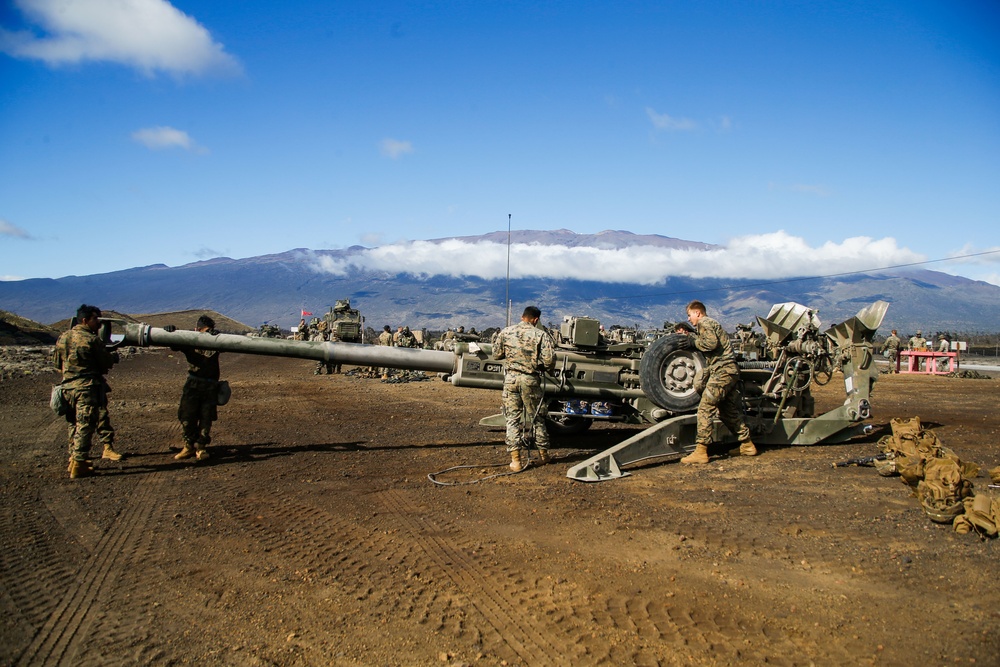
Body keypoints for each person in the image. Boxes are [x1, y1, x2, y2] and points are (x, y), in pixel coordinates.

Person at [676, 300, 757, 464]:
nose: (689, 319)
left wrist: (693, 342)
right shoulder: (710, 324)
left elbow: (711, 344)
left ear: (697, 313)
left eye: (690, 315)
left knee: (705, 407)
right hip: (728, 371)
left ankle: (701, 450)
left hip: (722, 371)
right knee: (727, 410)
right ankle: (747, 445)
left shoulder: (704, 322)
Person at [52, 304, 123, 478]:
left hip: (67, 387)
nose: (98, 322)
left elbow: (56, 363)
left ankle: (73, 460)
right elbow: (104, 362)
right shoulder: (91, 340)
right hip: (86, 388)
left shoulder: (63, 337)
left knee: (74, 424)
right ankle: (79, 463)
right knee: (86, 425)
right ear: (85, 320)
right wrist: (113, 357)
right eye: (95, 319)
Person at [493, 305, 556, 471]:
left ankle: (516, 461)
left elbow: (496, 354)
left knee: (512, 420)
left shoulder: (506, 332)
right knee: (537, 418)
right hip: (530, 380)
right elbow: (549, 360)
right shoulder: (540, 334)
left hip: (511, 379)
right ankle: (544, 456)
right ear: (535, 320)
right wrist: (542, 368)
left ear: (523, 317)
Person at [174, 316, 222, 462]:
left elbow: (232, 344)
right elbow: (175, 345)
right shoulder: (191, 341)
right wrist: (170, 333)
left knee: (206, 418)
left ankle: (201, 448)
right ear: (197, 329)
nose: (207, 333)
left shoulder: (215, 342)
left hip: (210, 386)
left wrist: (218, 337)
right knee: (187, 417)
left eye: (210, 330)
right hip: (193, 385)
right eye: (205, 330)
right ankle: (188, 446)